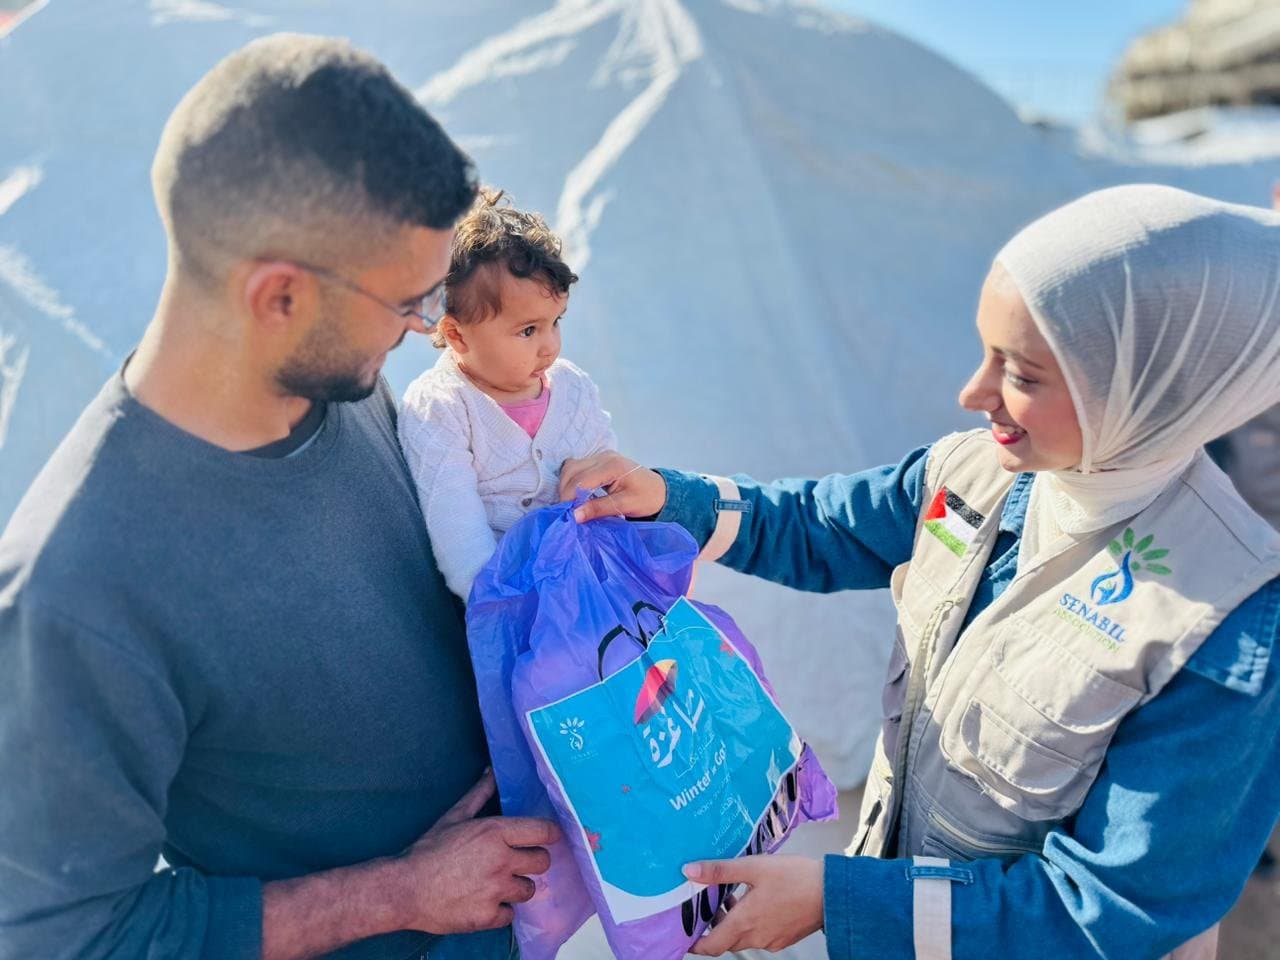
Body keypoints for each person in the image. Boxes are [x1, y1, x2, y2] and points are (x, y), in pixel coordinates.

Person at [560, 185, 1280, 959]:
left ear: (1142, 387)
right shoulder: (975, 473)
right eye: (986, 353)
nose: (974, 394)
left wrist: (840, 900)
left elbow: (1107, 911)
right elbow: (820, 526)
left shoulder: (1225, 623)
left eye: (1022, 374)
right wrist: (674, 500)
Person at [0, 34, 558, 960]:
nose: (426, 329)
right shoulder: (73, 593)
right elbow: (69, 938)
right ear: (279, 297)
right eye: (409, 303)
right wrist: (400, 893)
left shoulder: (338, 377)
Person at [398, 190, 615, 600]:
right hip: (512, 602)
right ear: (457, 335)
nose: (550, 347)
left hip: (593, 586)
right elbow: (457, 533)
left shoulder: (572, 388)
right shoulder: (441, 406)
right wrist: (506, 604)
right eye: (528, 330)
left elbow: (608, 478)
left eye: (556, 322)